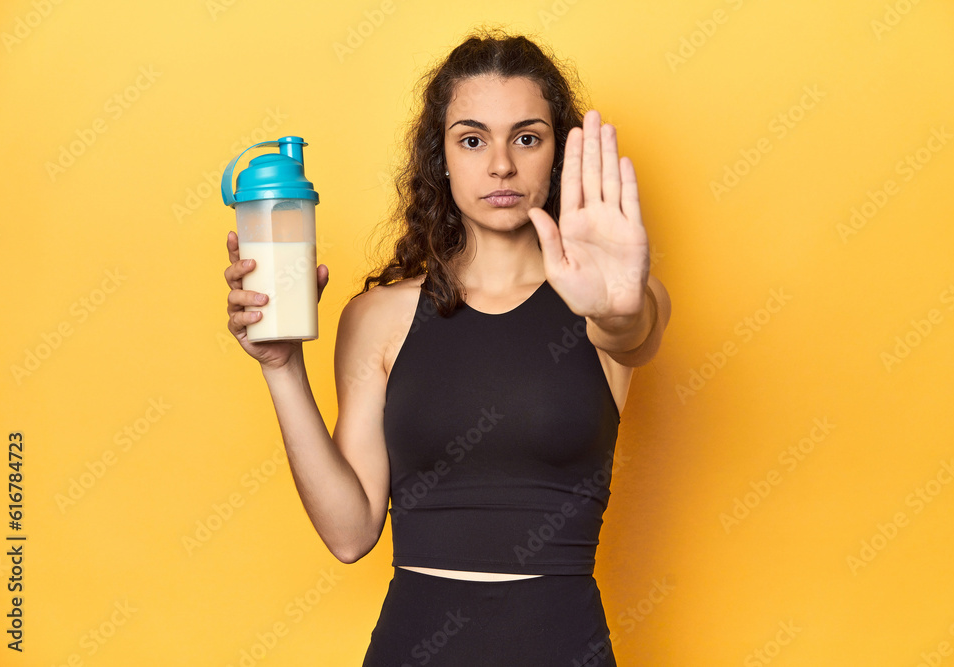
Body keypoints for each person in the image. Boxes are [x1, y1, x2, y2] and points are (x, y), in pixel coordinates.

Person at [223, 27, 671, 667]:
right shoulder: (378, 317)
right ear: (441, 158)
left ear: (559, 153)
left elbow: (631, 333)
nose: (501, 165)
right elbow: (349, 534)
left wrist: (618, 307)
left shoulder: (612, 297)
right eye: (472, 139)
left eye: (527, 137)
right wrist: (282, 366)